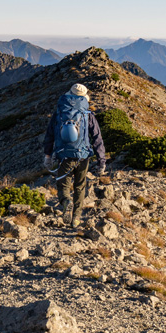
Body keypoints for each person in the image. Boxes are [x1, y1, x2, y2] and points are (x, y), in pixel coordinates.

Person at [43, 83, 107, 227]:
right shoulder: (88, 114)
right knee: (80, 186)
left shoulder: (59, 113)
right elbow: (97, 138)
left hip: (63, 156)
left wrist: (47, 156)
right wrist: (101, 161)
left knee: (63, 185)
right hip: (83, 156)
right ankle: (76, 218)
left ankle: (66, 201)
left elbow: (49, 136)